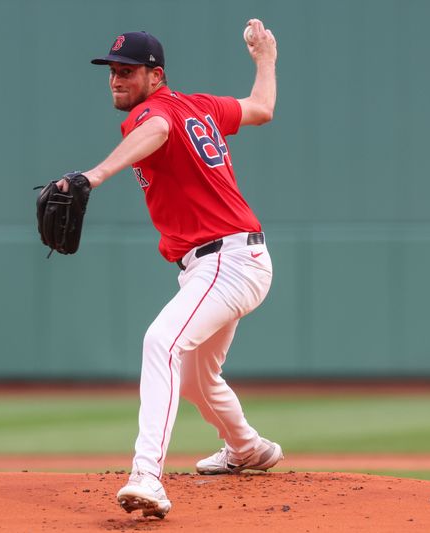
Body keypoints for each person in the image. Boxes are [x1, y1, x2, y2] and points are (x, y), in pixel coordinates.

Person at [58, 19, 282, 519]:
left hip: (226, 262)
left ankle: (147, 476)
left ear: (155, 75)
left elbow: (158, 128)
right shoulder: (201, 105)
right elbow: (261, 108)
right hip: (230, 259)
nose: (117, 79)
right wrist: (266, 59)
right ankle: (248, 448)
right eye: (112, 70)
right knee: (200, 375)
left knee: (161, 342)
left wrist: (92, 176)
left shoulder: (154, 113)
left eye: (128, 71)